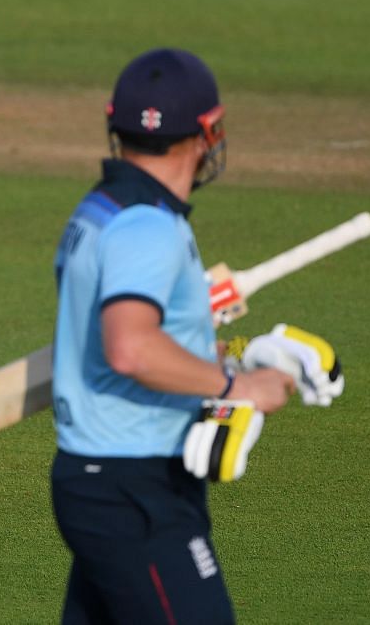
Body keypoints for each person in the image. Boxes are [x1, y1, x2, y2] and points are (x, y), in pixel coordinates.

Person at [50, 48, 329, 623]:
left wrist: (242, 352)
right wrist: (237, 385)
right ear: (207, 132)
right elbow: (130, 347)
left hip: (100, 480)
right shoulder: (148, 226)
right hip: (136, 487)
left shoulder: (99, 210)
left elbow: (121, 341)